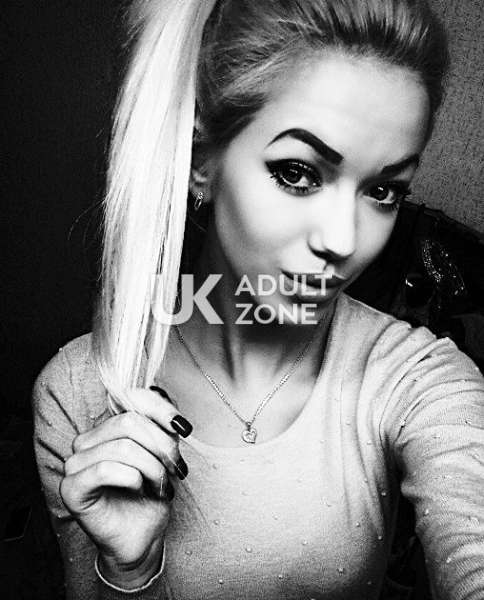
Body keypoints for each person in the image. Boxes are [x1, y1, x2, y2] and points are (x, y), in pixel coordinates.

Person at [32, 0, 484, 598]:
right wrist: (128, 572)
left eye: (383, 191)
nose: (343, 241)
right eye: (297, 172)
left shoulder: (417, 375)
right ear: (202, 162)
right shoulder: (80, 390)